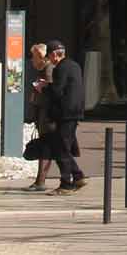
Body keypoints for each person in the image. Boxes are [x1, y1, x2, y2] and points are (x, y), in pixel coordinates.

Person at [45, 40, 88, 192]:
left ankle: (66, 184)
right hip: (75, 112)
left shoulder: (60, 68)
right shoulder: (75, 66)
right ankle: (77, 176)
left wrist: (44, 87)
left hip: (65, 113)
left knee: (61, 150)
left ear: (54, 55)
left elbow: (57, 91)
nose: (49, 60)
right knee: (64, 148)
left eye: (49, 56)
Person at [24, 43, 54, 191]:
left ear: (41, 57)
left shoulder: (48, 69)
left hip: (47, 115)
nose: (32, 60)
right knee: (48, 147)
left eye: (34, 56)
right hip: (43, 114)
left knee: (48, 147)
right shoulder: (44, 70)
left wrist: (40, 88)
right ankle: (40, 180)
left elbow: (51, 89)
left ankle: (41, 181)